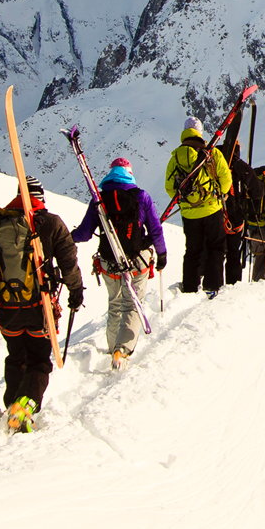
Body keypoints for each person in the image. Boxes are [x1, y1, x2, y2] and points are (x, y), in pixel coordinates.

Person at [0, 176, 83, 433]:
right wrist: (76, 292)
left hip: (7, 308)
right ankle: (25, 406)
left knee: (16, 356)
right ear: (40, 197)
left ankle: (12, 405)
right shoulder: (51, 223)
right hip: (40, 308)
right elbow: (69, 263)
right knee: (39, 360)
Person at [70, 155, 166, 369]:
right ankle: (121, 351)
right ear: (130, 174)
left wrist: (67, 237)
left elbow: (85, 233)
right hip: (137, 261)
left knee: (114, 304)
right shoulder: (141, 196)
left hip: (108, 263)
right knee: (132, 305)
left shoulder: (99, 199)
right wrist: (161, 255)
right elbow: (155, 229)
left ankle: (112, 345)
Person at [164, 117, 232, 297]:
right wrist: (221, 194)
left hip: (189, 214)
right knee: (216, 247)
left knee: (193, 250)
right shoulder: (211, 153)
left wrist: (185, 201)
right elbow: (226, 178)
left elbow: (169, 187)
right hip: (212, 208)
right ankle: (212, 286)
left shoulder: (175, 157)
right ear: (200, 132)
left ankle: (190, 286)